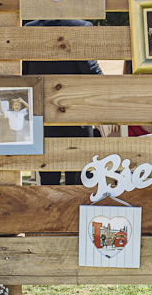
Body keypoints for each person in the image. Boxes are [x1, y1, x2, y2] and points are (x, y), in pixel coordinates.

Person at [22, 19, 103, 186]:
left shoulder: (29, 29)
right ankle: (76, 210)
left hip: (42, 112)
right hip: (76, 110)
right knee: (80, 172)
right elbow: (90, 70)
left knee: (48, 173)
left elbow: (25, 73)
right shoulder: (80, 27)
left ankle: (50, 208)